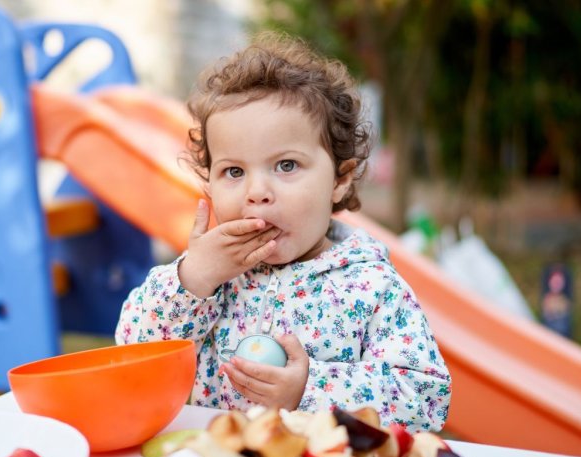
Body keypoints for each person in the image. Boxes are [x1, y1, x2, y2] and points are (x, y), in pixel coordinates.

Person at [115, 33, 450, 432]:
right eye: (234, 172)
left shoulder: (371, 286)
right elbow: (133, 355)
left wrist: (309, 390)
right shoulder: (211, 279)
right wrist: (192, 278)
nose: (257, 193)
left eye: (286, 165)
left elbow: (426, 397)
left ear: (340, 180)